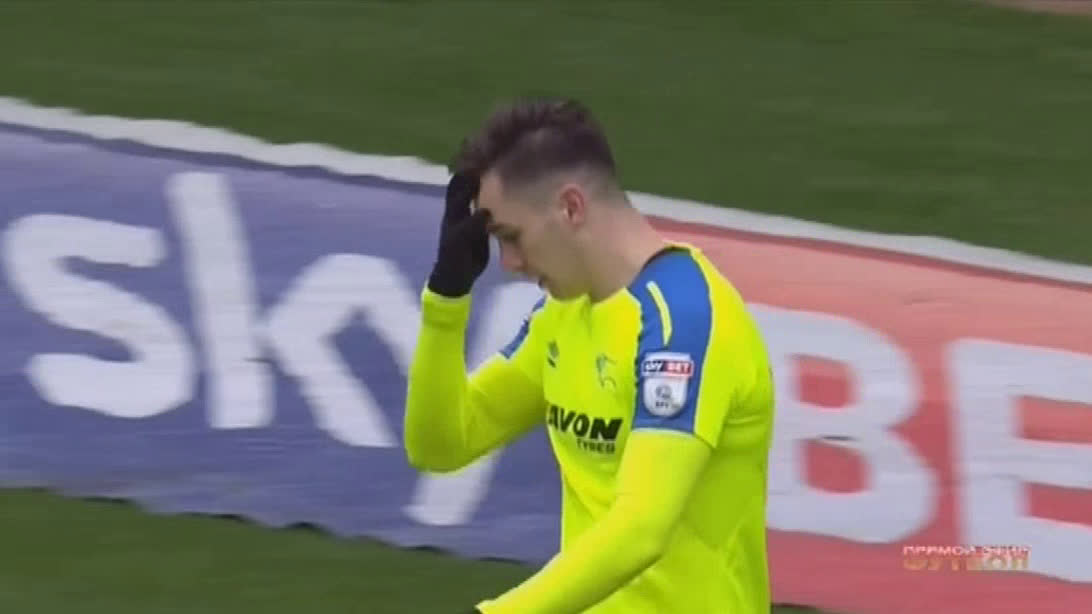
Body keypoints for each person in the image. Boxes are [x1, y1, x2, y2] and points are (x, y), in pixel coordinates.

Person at [403, 97, 776, 613]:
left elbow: (641, 529)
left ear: (571, 208)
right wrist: (446, 297)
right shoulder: (562, 317)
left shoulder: (683, 323)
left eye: (512, 237)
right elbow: (441, 445)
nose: (508, 262)